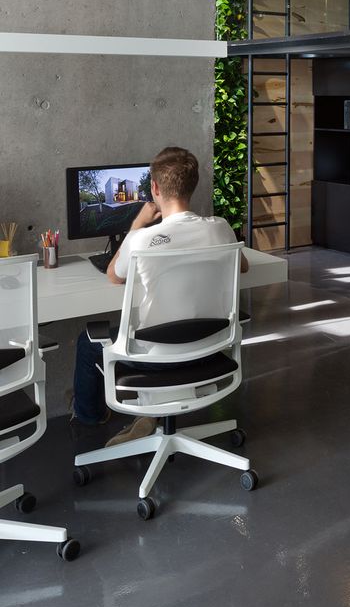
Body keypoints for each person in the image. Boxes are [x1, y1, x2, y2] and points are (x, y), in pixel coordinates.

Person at [71, 147, 247, 445]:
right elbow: (241, 265)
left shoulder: (142, 239)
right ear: (194, 184)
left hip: (157, 360)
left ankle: (90, 416)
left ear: (154, 188)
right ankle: (148, 416)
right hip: (209, 348)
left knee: (87, 343)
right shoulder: (221, 229)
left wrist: (137, 224)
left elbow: (114, 274)